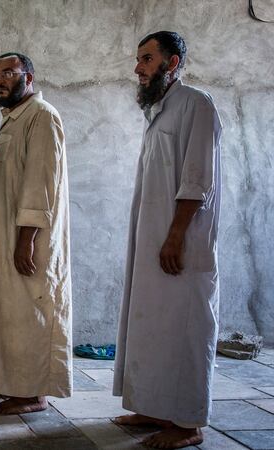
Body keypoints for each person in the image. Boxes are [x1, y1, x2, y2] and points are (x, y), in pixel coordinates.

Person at [113, 31, 222, 449]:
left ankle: (188, 424)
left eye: (146, 59)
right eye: (138, 59)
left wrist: (175, 236)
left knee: (186, 331)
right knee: (155, 327)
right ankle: (156, 408)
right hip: (153, 241)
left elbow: (197, 178)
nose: (138, 68)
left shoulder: (197, 104)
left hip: (183, 245)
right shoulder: (160, 110)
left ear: (172, 63)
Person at [0, 52, 73, 415]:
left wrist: (26, 240)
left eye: (8, 73)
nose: (0, 81)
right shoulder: (13, 121)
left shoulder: (42, 116)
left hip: (27, 243)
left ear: (29, 77)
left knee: (27, 315)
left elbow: (40, 183)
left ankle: (32, 394)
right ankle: (10, 384)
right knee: (7, 315)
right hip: (5, 240)